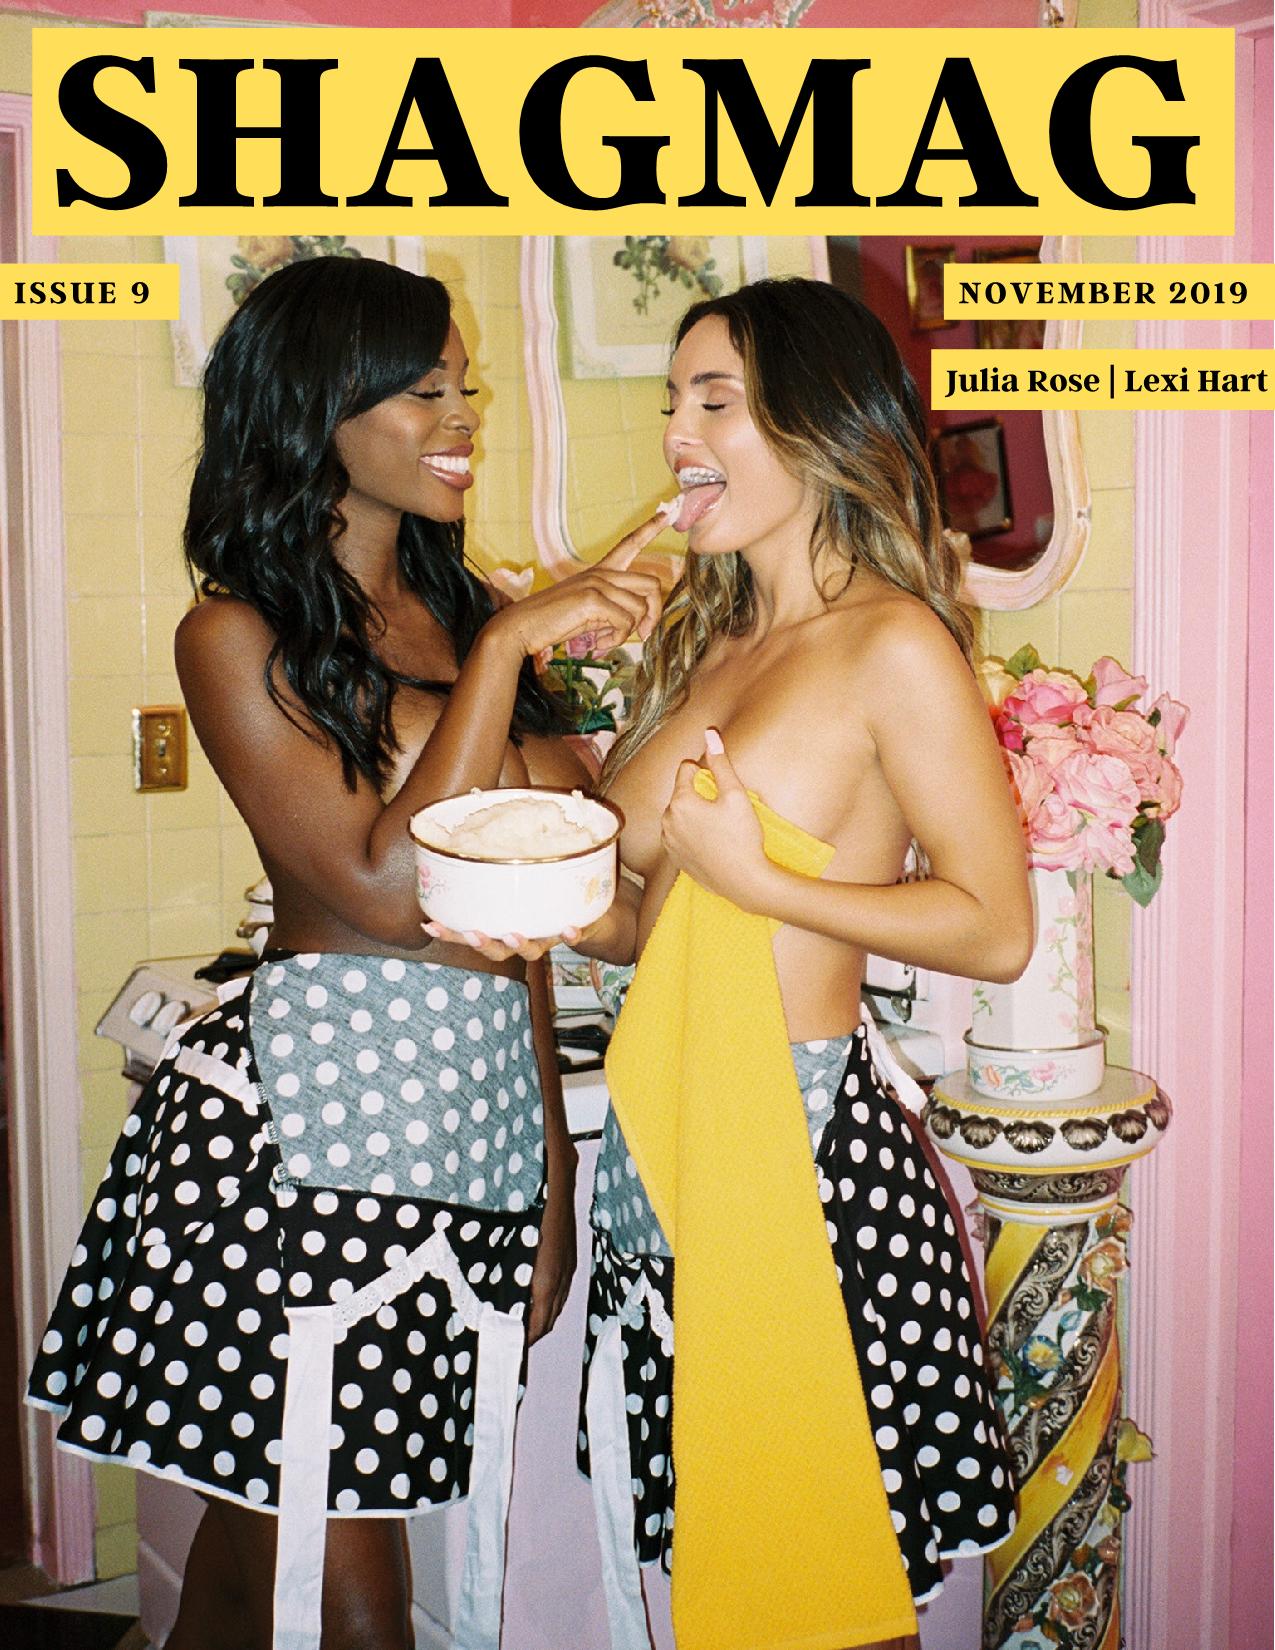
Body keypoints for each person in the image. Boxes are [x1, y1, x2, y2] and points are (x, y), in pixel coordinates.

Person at [26, 255, 667, 1650]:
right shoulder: (232, 633)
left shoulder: (468, 610)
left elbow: (537, 900)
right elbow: (385, 888)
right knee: (348, 1591)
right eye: (425, 389)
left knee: (262, 1552)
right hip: (295, 1153)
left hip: (466, 1128)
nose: (464, 415)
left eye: (465, 386)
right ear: (319, 409)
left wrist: (550, 1174)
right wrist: (506, 654)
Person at [448, 277, 1032, 1650]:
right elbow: (642, 920)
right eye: (674, 403)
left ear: (821, 426)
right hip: (667, 1149)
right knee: (726, 1572)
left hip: (804, 1155)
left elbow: (996, 927)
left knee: (822, 1592)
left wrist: (771, 884)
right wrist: (543, 907)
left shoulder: (892, 640)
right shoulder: (710, 644)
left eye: (717, 402)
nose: (678, 434)